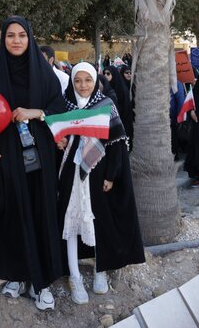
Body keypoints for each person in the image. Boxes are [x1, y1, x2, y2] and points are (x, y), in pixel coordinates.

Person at [0, 16, 65, 310]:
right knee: (12, 216)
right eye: (10, 35)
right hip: (7, 161)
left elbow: (58, 112)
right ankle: (17, 274)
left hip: (39, 161)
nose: (16, 40)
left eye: (22, 35)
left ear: (30, 38)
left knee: (40, 216)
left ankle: (43, 282)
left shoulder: (45, 74)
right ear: (3, 39)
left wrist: (34, 113)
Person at [56, 63, 144, 304]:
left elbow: (117, 144)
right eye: (78, 81)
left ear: (95, 82)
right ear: (72, 82)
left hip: (97, 175)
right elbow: (56, 136)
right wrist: (60, 142)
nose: (83, 85)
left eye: (87, 80)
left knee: (99, 221)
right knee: (70, 224)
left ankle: (100, 270)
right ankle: (74, 276)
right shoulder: (64, 106)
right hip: (70, 176)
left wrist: (111, 176)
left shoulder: (105, 105)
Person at [103, 66, 134, 150]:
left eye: (108, 74)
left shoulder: (121, 89)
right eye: (104, 73)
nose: (106, 76)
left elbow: (125, 107)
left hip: (122, 120)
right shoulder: (108, 87)